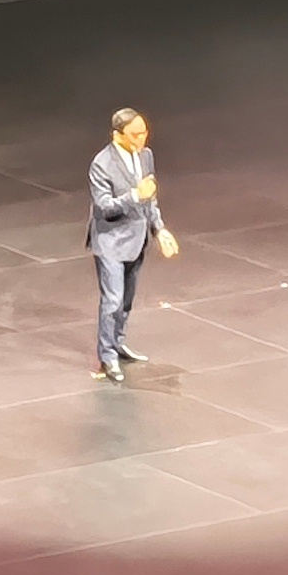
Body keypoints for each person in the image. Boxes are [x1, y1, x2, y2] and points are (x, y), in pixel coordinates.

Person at [85, 105, 182, 380]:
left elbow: (150, 198)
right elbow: (105, 207)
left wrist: (159, 229)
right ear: (118, 135)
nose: (142, 139)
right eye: (135, 134)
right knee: (112, 300)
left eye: (144, 133)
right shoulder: (101, 164)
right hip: (111, 242)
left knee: (126, 300)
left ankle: (117, 342)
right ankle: (107, 357)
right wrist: (135, 195)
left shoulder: (145, 156)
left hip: (136, 239)